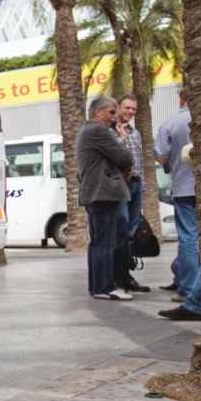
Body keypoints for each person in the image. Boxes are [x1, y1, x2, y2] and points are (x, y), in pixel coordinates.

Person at [75, 95, 134, 302]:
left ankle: (98, 287)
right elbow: (126, 157)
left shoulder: (87, 130)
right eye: (111, 112)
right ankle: (104, 287)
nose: (114, 116)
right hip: (103, 193)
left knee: (99, 242)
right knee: (105, 242)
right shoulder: (98, 131)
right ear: (98, 112)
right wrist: (122, 140)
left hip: (95, 193)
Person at [154, 92, 201, 321]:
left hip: (184, 188)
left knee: (189, 239)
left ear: (181, 99)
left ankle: (189, 291)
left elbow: (161, 157)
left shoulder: (171, 122)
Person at [112, 95, 149, 292]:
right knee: (121, 229)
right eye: (127, 108)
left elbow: (140, 160)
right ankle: (117, 276)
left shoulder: (135, 133)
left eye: (134, 109)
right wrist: (120, 138)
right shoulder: (110, 131)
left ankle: (126, 275)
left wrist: (142, 186)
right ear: (118, 107)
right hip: (120, 187)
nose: (131, 112)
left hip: (135, 184)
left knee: (131, 231)